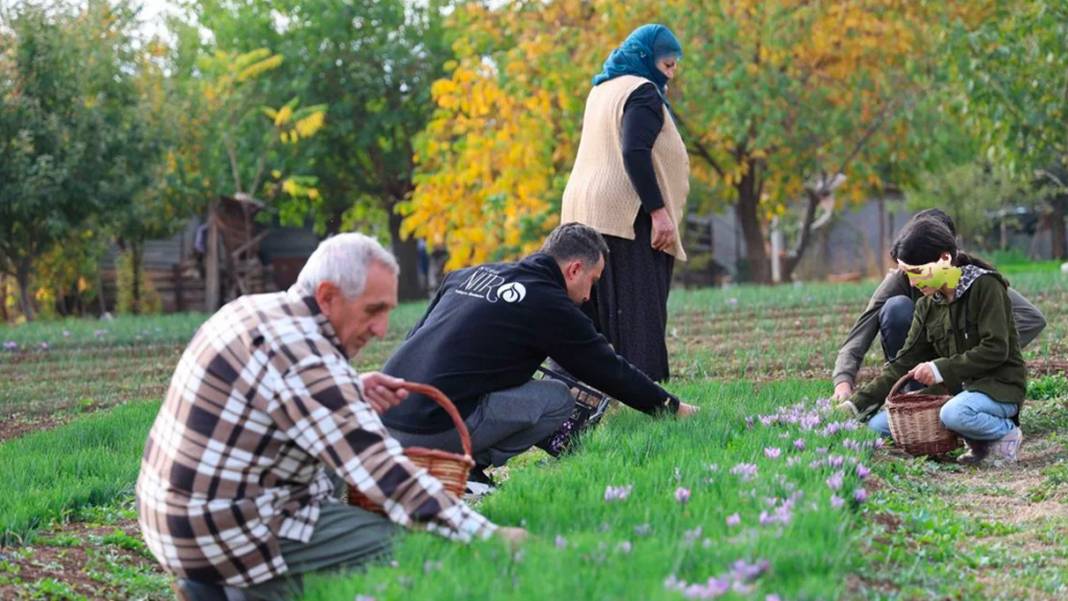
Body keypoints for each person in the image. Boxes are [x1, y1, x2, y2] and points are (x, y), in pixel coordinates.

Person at [136, 233, 525, 601]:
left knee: (331, 476)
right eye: (373, 311)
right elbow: (383, 473)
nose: (381, 329)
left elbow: (279, 387)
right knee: (409, 546)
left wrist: (350, 387)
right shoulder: (309, 363)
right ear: (327, 296)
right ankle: (237, 592)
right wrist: (489, 536)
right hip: (216, 535)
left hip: (171, 517)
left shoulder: (257, 310)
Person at [381, 223, 699, 484]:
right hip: (427, 430)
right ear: (574, 269)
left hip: (384, 421)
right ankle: (461, 471)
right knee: (557, 398)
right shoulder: (548, 304)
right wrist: (671, 407)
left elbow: (416, 337)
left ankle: (444, 463)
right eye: (593, 281)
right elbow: (609, 370)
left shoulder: (467, 275)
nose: (589, 296)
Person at [560, 23, 689, 383]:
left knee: (594, 313)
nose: (671, 75)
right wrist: (658, 211)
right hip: (626, 216)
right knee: (639, 312)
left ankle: (587, 395)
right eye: (667, 66)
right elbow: (634, 152)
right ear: (647, 59)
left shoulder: (602, 89)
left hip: (582, 213)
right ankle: (650, 398)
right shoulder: (642, 91)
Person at [839, 219, 1027, 464]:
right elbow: (902, 363)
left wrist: (940, 369)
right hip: (955, 394)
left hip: (997, 389)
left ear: (944, 258)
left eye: (917, 272)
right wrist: (854, 407)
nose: (914, 282)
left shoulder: (985, 287)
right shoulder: (927, 305)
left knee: (955, 413)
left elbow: (996, 349)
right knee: (878, 427)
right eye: (908, 275)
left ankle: (1006, 435)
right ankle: (977, 442)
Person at [831, 209, 1045, 401]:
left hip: (961, 370)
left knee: (958, 414)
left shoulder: (977, 279)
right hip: (917, 363)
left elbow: (1031, 319)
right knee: (896, 308)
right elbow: (859, 336)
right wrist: (843, 383)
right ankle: (912, 395)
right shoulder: (901, 280)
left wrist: (977, 354)